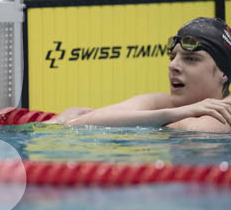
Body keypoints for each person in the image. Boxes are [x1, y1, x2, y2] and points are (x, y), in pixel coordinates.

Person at [49, 17, 231, 133]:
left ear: (223, 73)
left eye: (191, 59)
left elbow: (196, 129)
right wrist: (178, 113)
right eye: (172, 57)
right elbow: (80, 122)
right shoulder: (168, 104)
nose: (173, 66)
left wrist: (151, 120)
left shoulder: (223, 117)